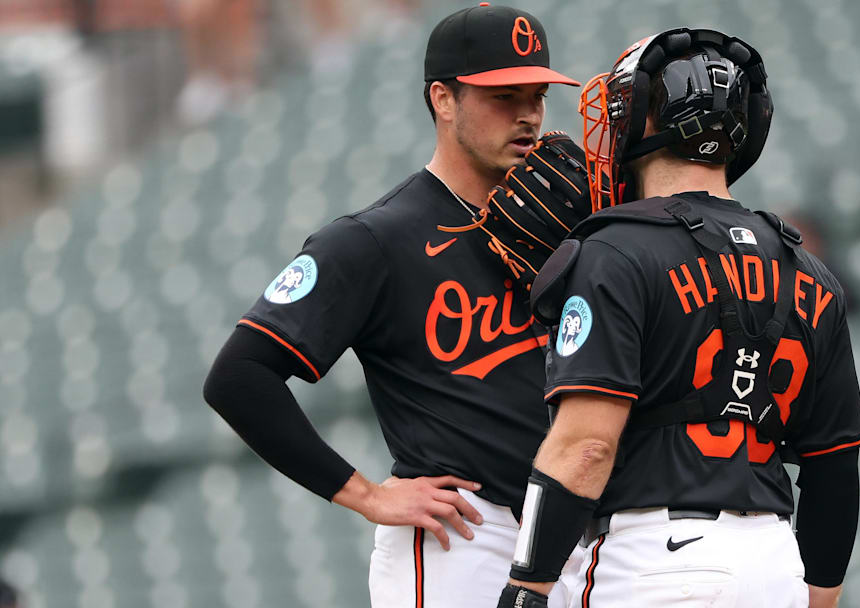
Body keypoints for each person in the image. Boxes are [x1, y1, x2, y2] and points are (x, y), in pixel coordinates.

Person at [203, 4, 583, 607]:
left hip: (572, 538)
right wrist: (367, 495)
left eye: (536, 95)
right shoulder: (373, 239)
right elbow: (238, 377)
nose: (528, 115)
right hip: (468, 540)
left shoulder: (568, 222)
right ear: (443, 99)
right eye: (502, 95)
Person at [496, 28, 860, 608]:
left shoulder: (615, 250)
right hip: (776, 564)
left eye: (623, 108)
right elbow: (834, 472)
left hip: (655, 559)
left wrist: (527, 588)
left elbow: (586, 447)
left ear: (652, 119)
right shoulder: (811, 271)